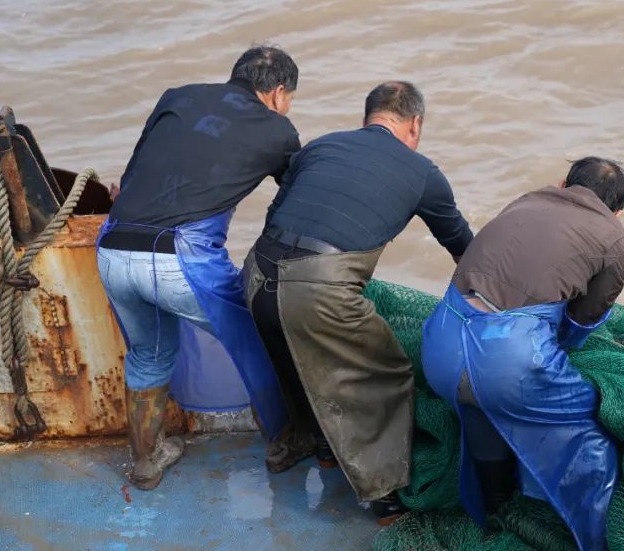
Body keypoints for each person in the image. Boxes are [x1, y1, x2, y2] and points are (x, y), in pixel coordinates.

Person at [242, 80, 473, 523]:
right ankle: (383, 497)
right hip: (316, 287)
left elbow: (277, 215)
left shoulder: (321, 146)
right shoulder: (422, 171)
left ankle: (322, 449)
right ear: (415, 124)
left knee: (293, 358)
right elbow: (464, 250)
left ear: (367, 116)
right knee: (384, 371)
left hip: (256, 275)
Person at [96, 46, 300, 490]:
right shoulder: (278, 130)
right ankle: (284, 443)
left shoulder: (177, 96)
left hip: (112, 248)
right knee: (257, 341)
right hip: (181, 259)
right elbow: (297, 206)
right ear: (278, 93)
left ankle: (147, 462)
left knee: (148, 355)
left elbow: (129, 179)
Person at [421, 157, 624, 551]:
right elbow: (583, 321)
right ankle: (597, 540)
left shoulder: (526, 200)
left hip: (441, 342)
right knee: (593, 427)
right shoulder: (617, 240)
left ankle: (495, 514)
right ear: (616, 212)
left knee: (481, 415)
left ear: (563, 183)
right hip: (510, 361)